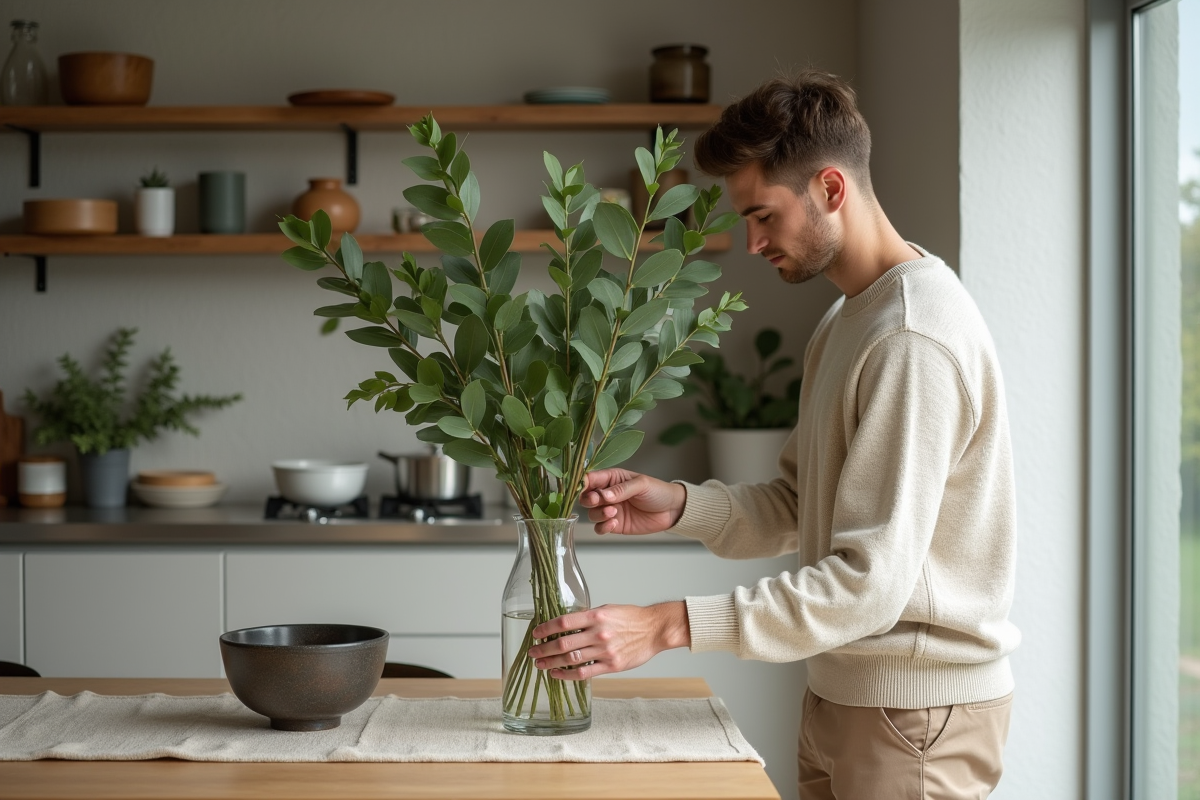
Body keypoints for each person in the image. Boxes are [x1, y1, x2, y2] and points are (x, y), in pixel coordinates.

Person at [526, 71, 1020, 800]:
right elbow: (801, 500)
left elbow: (869, 583)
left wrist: (665, 626)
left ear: (829, 188)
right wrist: (680, 505)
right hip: (848, 696)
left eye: (762, 215)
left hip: (914, 714)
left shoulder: (911, 336)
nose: (752, 243)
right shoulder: (850, 318)